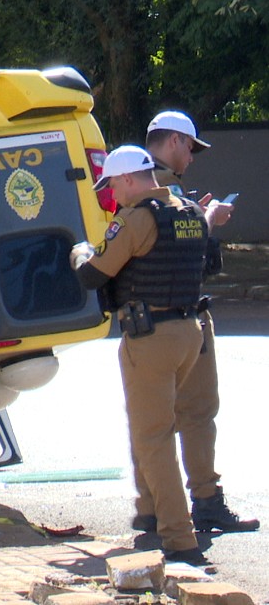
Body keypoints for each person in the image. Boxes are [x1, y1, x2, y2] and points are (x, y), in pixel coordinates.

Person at [70, 146, 251, 567]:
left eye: (113, 184)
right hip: (192, 333)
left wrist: (79, 250)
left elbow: (94, 274)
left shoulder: (135, 218)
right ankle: (154, 513)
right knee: (186, 421)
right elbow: (205, 250)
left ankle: (178, 538)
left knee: (153, 438)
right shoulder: (188, 210)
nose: (112, 192)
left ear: (130, 178)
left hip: (150, 337)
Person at [138, 111, 257, 538]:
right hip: (177, 315)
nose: (192, 156)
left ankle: (152, 512)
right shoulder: (158, 185)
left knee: (152, 423)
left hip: (152, 318)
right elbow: (176, 244)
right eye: (190, 146)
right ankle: (201, 504)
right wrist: (207, 221)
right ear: (172, 142)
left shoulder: (137, 180)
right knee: (195, 415)